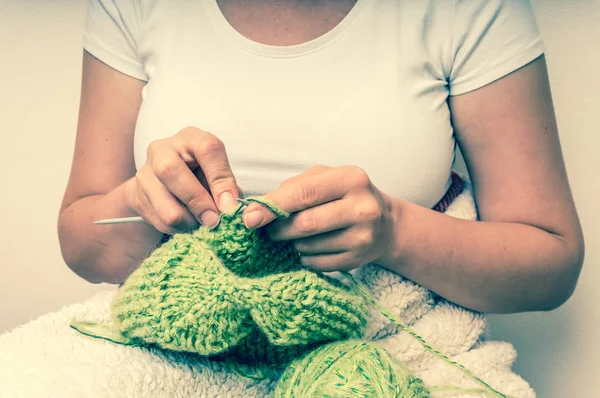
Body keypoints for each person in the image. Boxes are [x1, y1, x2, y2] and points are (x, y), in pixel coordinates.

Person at [58, 0, 584, 315]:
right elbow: (81, 241)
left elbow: (551, 266)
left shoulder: (468, 10)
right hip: (178, 334)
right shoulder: (135, 7)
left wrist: (394, 230)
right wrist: (143, 201)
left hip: (394, 346)